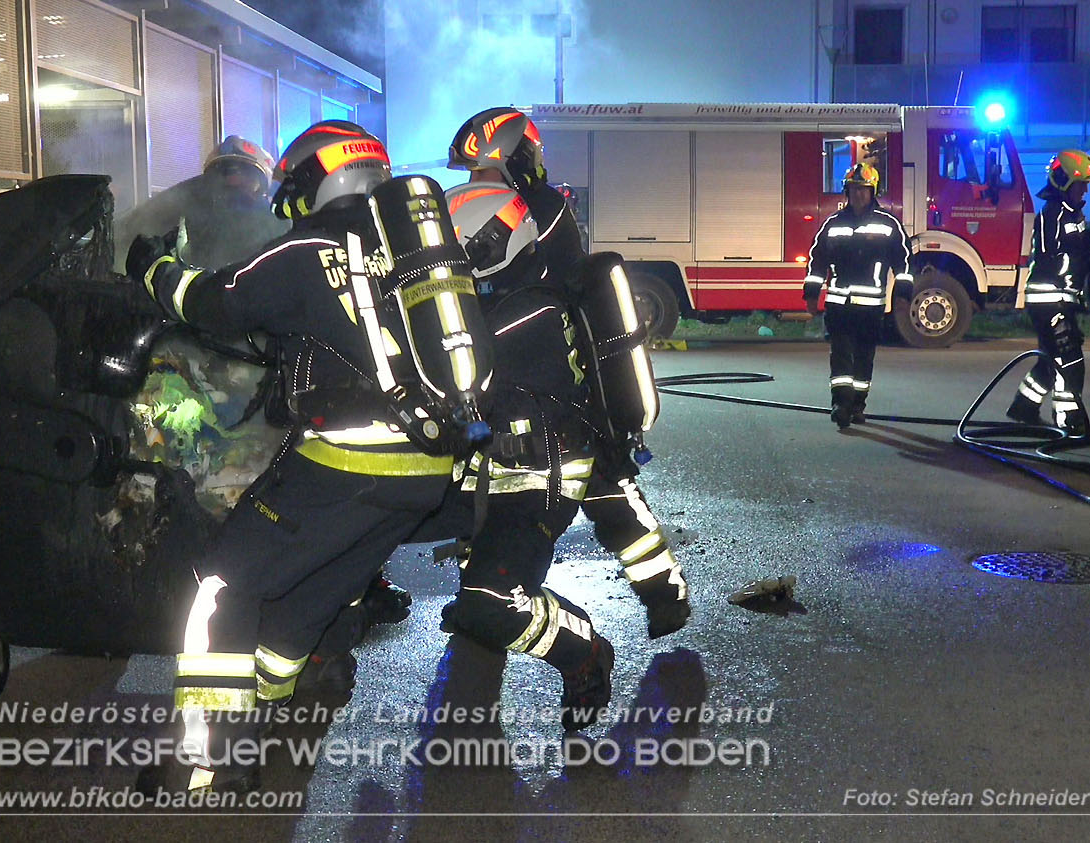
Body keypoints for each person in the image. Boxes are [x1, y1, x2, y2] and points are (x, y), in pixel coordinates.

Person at [125, 120, 468, 792]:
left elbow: (212, 303)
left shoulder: (307, 246)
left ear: (320, 176)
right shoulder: (406, 249)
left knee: (222, 584)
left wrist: (153, 267)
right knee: (307, 598)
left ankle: (208, 758)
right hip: (427, 467)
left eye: (295, 186)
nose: (288, 201)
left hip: (350, 461)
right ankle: (266, 705)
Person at [447, 106, 691, 638]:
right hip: (550, 380)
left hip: (511, 379)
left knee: (506, 487)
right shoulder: (534, 207)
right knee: (603, 491)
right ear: (518, 154)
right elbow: (562, 273)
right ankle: (663, 596)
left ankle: (483, 590)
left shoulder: (461, 209)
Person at [439, 182, 614, 730]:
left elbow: (455, 360)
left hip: (536, 480)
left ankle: (582, 649)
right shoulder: (515, 294)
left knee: (488, 604)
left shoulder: (526, 312)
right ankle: (480, 591)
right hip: (495, 470)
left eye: (459, 250)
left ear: (492, 245)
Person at [802, 162, 914, 429]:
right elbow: (817, 261)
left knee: (864, 357)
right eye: (853, 189)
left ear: (872, 192)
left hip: (871, 308)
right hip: (839, 305)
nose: (858, 195)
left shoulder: (888, 224)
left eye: (863, 190)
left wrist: (903, 294)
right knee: (840, 355)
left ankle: (858, 405)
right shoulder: (833, 224)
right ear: (847, 192)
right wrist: (811, 295)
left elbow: (904, 262)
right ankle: (841, 404)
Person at [1005, 149, 1090, 437]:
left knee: (1050, 359)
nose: (1085, 190)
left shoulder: (1072, 214)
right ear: (1063, 182)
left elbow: (1077, 250)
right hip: (1048, 299)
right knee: (1069, 358)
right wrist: (1085, 260)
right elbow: (1051, 258)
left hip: (1060, 298)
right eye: (1081, 184)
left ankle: (1024, 407)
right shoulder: (1052, 214)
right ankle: (1069, 421)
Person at [114, 134, 287, 273]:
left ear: (260, 185)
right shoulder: (193, 213)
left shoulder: (278, 226)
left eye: (242, 176)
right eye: (223, 176)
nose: (231, 183)